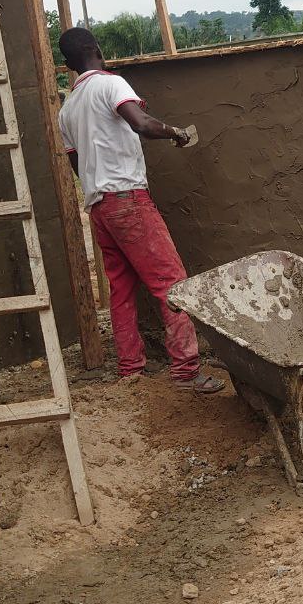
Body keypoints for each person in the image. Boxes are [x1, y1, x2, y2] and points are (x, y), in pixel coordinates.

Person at [57, 27, 224, 392]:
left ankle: (130, 371)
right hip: (128, 200)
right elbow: (142, 124)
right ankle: (185, 371)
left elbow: (77, 163)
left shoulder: (67, 109)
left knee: (120, 290)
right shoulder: (111, 84)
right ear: (95, 49)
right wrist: (177, 132)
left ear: (68, 64)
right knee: (171, 283)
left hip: (99, 208)